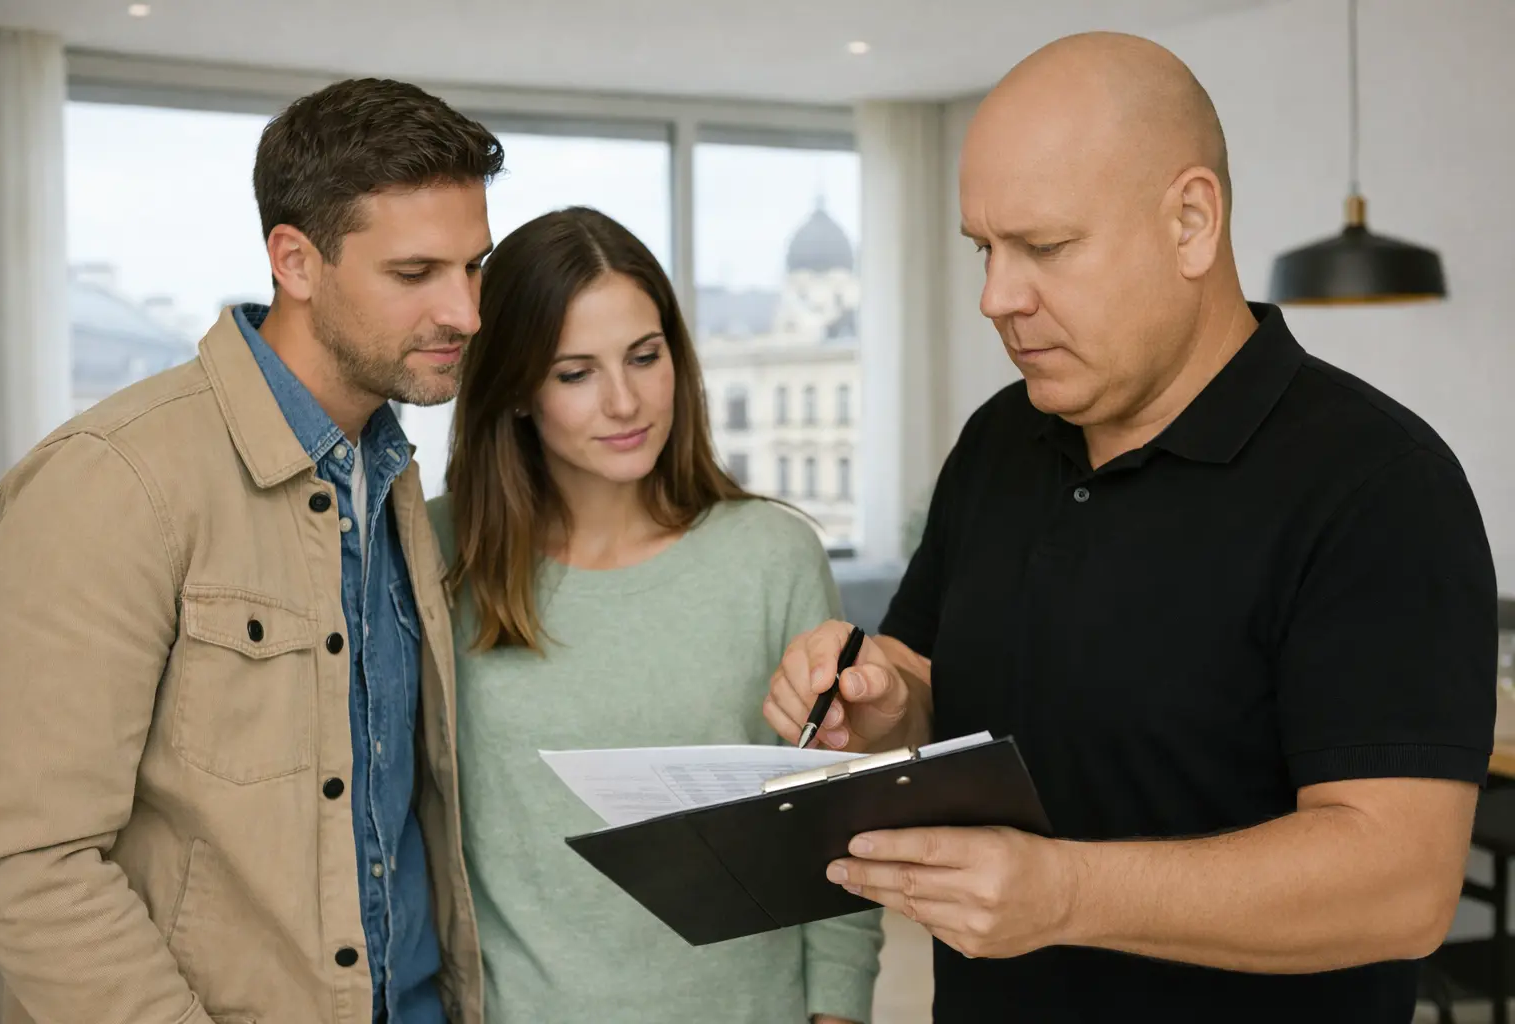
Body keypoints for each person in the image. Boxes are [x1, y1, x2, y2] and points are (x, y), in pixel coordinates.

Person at [763, 31, 1496, 1023]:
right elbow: (929, 680)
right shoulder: (1000, 439)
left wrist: (1063, 893)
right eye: (984, 249)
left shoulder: (1377, 485)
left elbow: (1399, 881)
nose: (995, 298)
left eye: (1046, 248)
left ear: (1191, 221)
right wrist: (886, 707)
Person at [0, 78, 501, 1024]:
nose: (464, 312)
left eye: (475, 267)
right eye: (416, 274)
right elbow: (24, 859)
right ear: (295, 262)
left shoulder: (393, 481)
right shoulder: (114, 481)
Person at [427, 205, 883, 1024]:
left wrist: (839, 1012)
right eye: (575, 373)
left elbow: (836, 825)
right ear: (518, 390)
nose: (625, 400)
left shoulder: (773, 555)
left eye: (646, 356)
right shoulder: (435, 551)